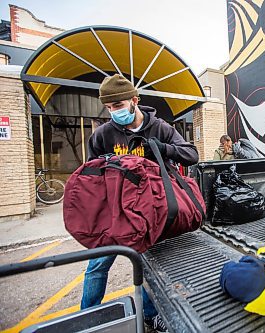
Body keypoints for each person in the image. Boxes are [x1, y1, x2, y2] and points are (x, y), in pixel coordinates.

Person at [81, 74, 199, 333]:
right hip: (114, 211)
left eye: (119, 105)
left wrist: (162, 148)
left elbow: (192, 154)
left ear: (135, 100)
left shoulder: (160, 128)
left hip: (150, 212)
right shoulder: (103, 135)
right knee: (98, 264)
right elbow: (90, 174)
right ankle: (86, 317)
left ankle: (149, 316)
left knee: (147, 266)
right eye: (110, 108)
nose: (114, 112)